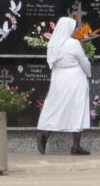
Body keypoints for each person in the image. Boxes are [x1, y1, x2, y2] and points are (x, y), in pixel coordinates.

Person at [37, 17, 92, 155]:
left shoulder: (53, 44)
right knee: (77, 109)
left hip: (58, 78)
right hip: (74, 79)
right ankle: (76, 145)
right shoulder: (73, 43)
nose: (76, 30)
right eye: (74, 28)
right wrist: (89, 73)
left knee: (55, 107)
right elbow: (84, 61)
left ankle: (45, 132)